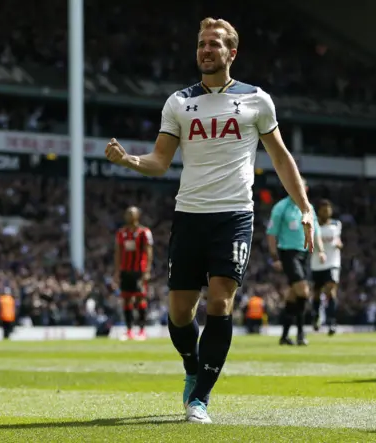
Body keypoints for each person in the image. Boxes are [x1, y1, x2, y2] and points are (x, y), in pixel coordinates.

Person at [105, 17, 314, 424]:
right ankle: (191, 363)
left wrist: (304, 205)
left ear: (231, 53)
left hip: (234, 215)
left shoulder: (256, 100)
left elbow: (281, 158)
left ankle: (199, 397)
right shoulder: (179, 103)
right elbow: (160, 161)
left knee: (220, 302)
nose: (205, 50)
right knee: (180, 314)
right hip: (189, 215)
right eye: (201, 43)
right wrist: (129, 160)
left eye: (214, 44)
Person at [267, 186, 324, 347]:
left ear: (305, 189)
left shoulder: (308, 207)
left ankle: (284, 336)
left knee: (293, 296)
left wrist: (321, 251)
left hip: (305, 254)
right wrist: (275, 257)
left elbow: (316, 231)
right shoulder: (281, 207)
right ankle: (301, 333)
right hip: (288, 254)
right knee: (304, 292)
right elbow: (271, 232)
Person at [114, 206, 153, 341]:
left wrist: (147, 270)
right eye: (127, 213)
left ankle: (142, 330)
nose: (128, 216)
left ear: (138, 216)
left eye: (131, 213)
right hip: (125, 270)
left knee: (140, 298)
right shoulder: (121, 233)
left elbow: (149, 251)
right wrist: (117, 271)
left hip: (139, 270)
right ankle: (129, 330)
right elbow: (118, 252)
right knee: (126, 299)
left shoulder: (144, 232)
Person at [310, 199, 343, 336]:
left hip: (333, 263)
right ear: (319, 211)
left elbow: (339, 240)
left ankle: (331, 321)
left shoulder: (336, 224)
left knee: (331, 289)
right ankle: (317, 316)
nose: (326, 212)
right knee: (317, 293)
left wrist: (339, 244)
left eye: (328, 210)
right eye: (324, 210)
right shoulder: (313, 224)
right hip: (317, 264)